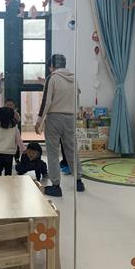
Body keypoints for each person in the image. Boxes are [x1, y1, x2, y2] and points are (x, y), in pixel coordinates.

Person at [35, 54, 85, 197]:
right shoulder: (74, 79)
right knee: (72, 150)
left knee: (52, 153)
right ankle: (79, 182)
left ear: (52, 66)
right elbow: (77, 100)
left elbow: (46, 101)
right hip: (70, 117)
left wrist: (39, 121)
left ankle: (56, 186)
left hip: (54, 118)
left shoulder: (52, 78)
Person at [0, 107, 25, 176]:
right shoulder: (15, 128)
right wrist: (23, 150)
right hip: (9, 153)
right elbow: (19, 141)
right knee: (8, 170)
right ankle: (8, 181)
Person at [4, 98, 21, 163]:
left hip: (14, 132)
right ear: (4, 105)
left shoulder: (15, 113)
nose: (9, 106)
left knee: (16, 145)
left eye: (11, 105)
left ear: (14, 106)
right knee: (7, 145)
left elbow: (18, 120)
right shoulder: (3, 113)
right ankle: (7, 157)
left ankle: (17, 158)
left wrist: (15, 113)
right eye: (7, 105)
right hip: (5, 133)